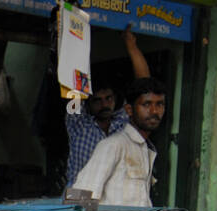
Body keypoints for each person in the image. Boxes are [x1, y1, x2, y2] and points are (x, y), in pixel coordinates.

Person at [63, 25, 152, 186]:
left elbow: (144, 87)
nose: (104, 104)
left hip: (113, 197)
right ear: (88, 104)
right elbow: (73, 86)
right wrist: (76, 27)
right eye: (97, 100)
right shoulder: (77, 123)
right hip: (78, 195)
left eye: (108, 98)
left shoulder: (124, 121)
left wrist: (130, 46)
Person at [69, 76, 166, 207]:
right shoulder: (112, 145)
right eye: (146, 104)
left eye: (159, 104)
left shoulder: (144, 148)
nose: (154, 111)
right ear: (129, 110)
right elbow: (78, 199)